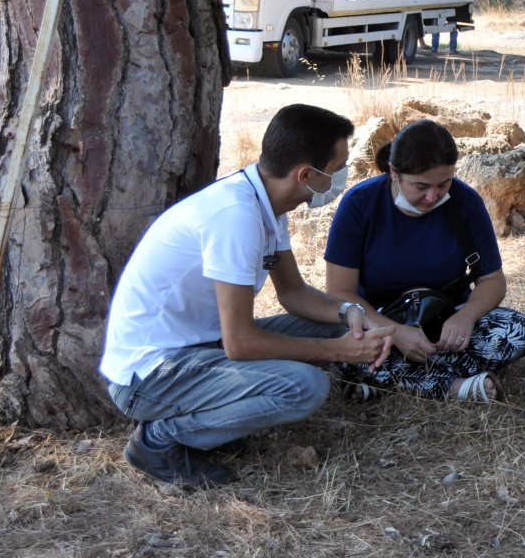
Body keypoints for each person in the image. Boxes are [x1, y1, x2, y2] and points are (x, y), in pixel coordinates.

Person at [100, 104, 395, 487]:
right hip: (149, 375)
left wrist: (347, 311)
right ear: (306, 174)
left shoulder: (265, 201)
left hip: (198, 348)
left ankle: (212, 420)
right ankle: (159, 439)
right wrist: (339, 351)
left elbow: (293, 293)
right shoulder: (236, 217)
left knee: (330, 328)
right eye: (337, 169)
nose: (342, 178)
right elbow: (241, 343)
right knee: (304, 387)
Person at [324, 119, 525, 402]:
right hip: (380, 321)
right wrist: (396, 333)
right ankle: (454, 387)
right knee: (349, 345)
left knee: (516, 330)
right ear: (394, 172)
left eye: (444, 184)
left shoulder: (466, 202)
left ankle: (390, 380)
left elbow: (493, 280)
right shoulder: (359, 203)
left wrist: (466, 317)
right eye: (421, 186)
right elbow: (339, 292)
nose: (432, 197)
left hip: (445, 320)